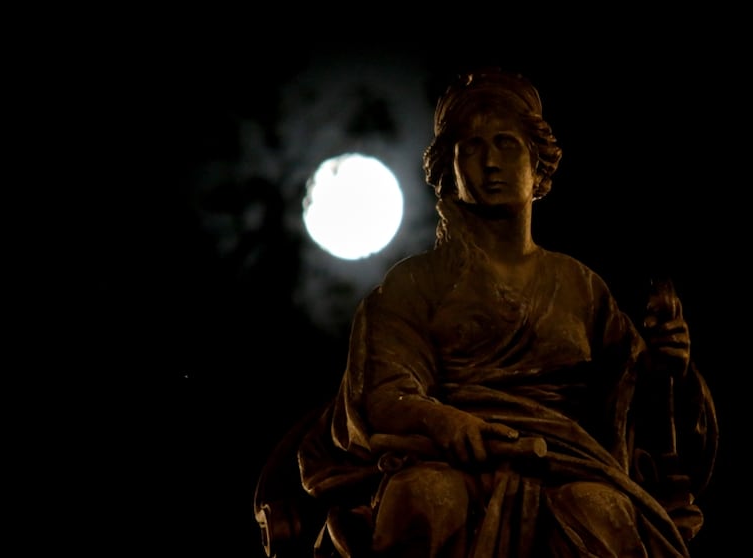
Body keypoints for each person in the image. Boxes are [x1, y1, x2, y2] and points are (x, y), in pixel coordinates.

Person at [293, 68, 717, 557]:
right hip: (443, 459)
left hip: (568, 463)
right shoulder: (414, 284)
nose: (489, 161)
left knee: (601, 511)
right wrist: (449, 424)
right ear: (447, 172)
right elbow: (385, 392)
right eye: (470, 148)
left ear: (538, 166)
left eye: (505, 143)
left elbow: (635, 401)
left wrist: (672, 369)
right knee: (427, 498)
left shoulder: (580, 286)